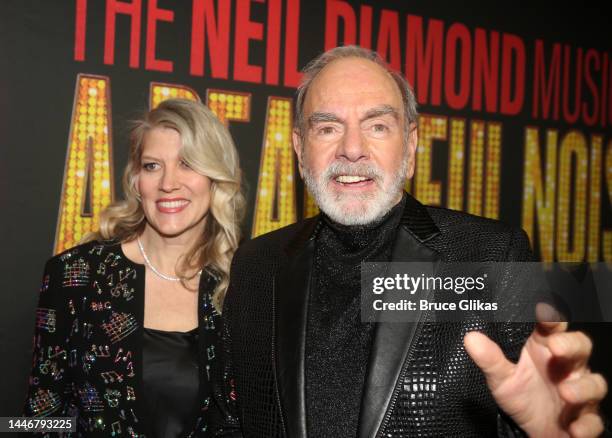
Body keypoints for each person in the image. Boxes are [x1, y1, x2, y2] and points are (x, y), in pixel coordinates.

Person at [209, 46, 607, 437]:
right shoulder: (257, 265)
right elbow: (231, 423)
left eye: (377, 126)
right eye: (328, 127)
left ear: (411, 144)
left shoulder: (489, 255)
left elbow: (542, 408)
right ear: (299, 148)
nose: (351, 149)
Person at [23, 99, 245, 437]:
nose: (168, 183)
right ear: (136, 180)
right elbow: (38, 419)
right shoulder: (75, 274)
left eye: (187, 164)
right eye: (153, 166)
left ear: (216, 177)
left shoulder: (241, 285)